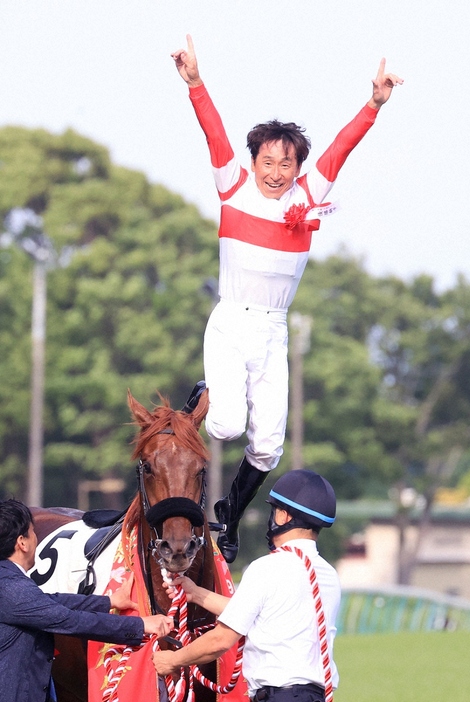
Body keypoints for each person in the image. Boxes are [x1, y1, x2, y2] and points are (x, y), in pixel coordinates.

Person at [173, 35, 403, 563]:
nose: (276, 173)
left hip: (274, 329)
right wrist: (195, 84)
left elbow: (342, 148)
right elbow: (213, 132)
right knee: (226, 426)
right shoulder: (233, 186)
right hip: (231, 321)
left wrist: (373, 104)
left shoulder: (309, 194)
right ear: (253, 162)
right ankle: (207, 392)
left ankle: (228, 515)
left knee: (268, 446)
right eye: (268, 162)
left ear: (298, 166)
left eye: (287, 164)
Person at [153, 469, 339, 702]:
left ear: (282, 517)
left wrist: (172, 660)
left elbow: (220, 640)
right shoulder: (329, 576)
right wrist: (196, 593)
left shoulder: (267, 568)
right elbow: (261, 616)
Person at [0, 499, 173, 702]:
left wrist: (109, 602)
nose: (36, 539)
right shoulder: (12, 587)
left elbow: (52, 601)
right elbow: (69, 620)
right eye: (33, 532)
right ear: (22, 542)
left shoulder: (9, 581)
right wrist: (141, 625)